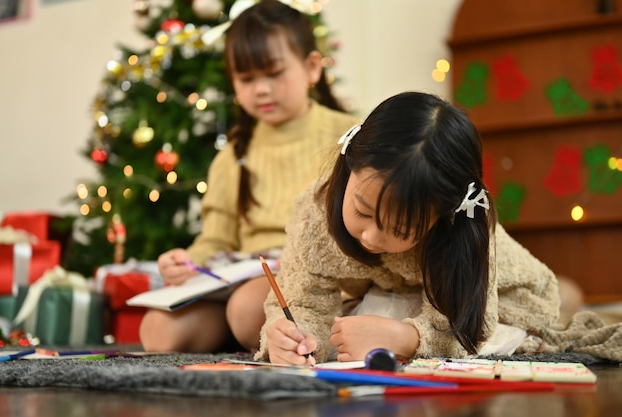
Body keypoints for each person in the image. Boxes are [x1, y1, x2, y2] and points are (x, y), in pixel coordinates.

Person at [255, 91, 561, 365]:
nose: (371, 237)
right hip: (388, 293)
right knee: (263, 315)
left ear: (443, 217)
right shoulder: (316, 209)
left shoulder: (460, 231)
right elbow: (303, 301)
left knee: (533, 322)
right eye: (362, 210)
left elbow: (469, 325)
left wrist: (405, 337)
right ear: (349, 167)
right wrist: (297, 339)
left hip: (498, 297)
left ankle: (567, 293)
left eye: (400, 229)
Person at [139, 0, 359, 353]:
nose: (260, 89)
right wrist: (187, 263)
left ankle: (256, 334)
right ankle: (246, 337)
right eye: (246, 79)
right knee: (157, 331)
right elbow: (216, 238)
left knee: (245, 309)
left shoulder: (347, 136)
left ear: (312, 68)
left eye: (273, 73)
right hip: (242, 274)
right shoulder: (233, 155)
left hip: (311, 275)